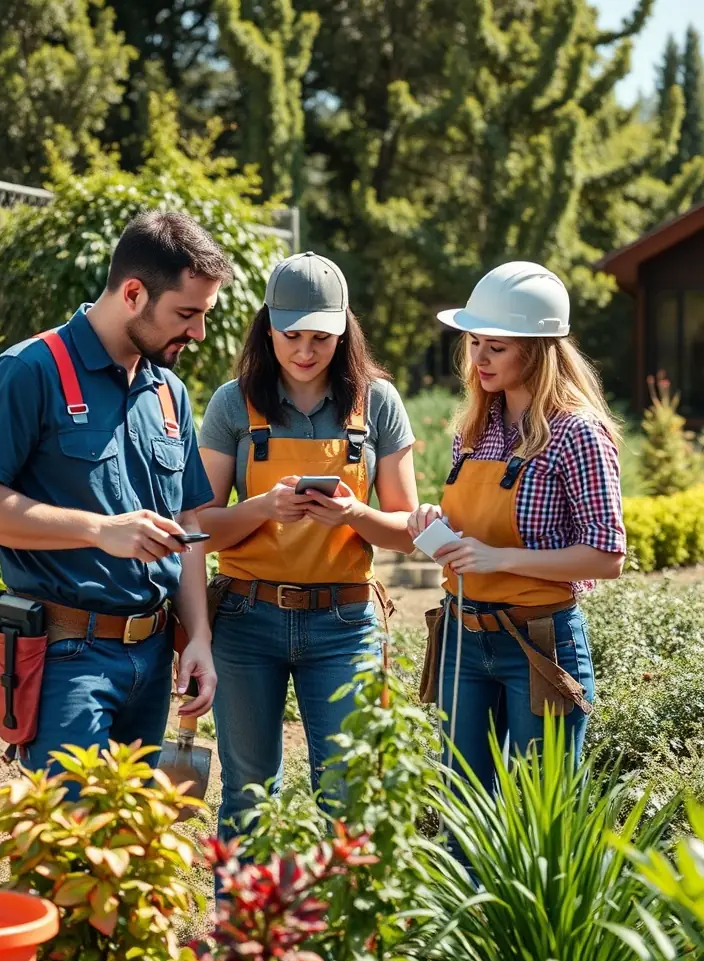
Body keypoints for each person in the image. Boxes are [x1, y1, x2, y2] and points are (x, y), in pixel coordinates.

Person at [0, 210, 228, 772]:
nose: (197, 333)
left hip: (152, 653)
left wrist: (197, 636)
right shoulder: (28, 371)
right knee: (68, 845)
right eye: (187, 314)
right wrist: (99, 530)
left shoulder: (169, 391)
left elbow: (189, 522)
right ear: (132, 292)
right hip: (63, 655)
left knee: (132, 849)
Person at [197, 250, 418, 841]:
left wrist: (354, 513)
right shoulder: (231, 403)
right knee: (247, 793)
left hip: (345, 621)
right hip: (245, 618)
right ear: (266, 327)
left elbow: (406, 531)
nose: (304, 350)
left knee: (348, 792)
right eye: (290, 335)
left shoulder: (377, 404)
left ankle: (339, 932)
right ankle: (245, 933)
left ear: (344, 330)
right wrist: (263, 508)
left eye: (321, 337)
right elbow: (197, 526)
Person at [409, 261, 626, 793]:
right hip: (462, 634)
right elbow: (472, 532)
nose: (479, 358)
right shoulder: (474, 429)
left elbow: (606, 556)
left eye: (496, 347)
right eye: (475, 342)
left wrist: (499, 559)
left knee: (538, 810)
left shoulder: (578, 433)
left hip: (539, 642)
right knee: (463, 806)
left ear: (537, 349)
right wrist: (436, 525)